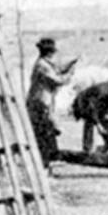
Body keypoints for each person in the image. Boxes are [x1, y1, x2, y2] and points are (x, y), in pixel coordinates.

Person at [27, 37, 78, 167]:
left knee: (47, 130)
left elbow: (57, 69)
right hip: (40, 102)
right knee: (44, 132)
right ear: (50, 52)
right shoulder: (42, 65)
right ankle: (46, 160)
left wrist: (69, 65)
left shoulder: (44, 63)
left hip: (43, 102)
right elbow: (57, 80)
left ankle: (50, 158)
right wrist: (69, 74)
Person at [72, 81, 108, 155]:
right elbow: (92, 108)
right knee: (90, 121)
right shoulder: (102, 91)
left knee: (104, 120)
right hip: (83, 102)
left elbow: (107, 103)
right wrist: (98, 124)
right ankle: (87, 149)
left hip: (96, 103)